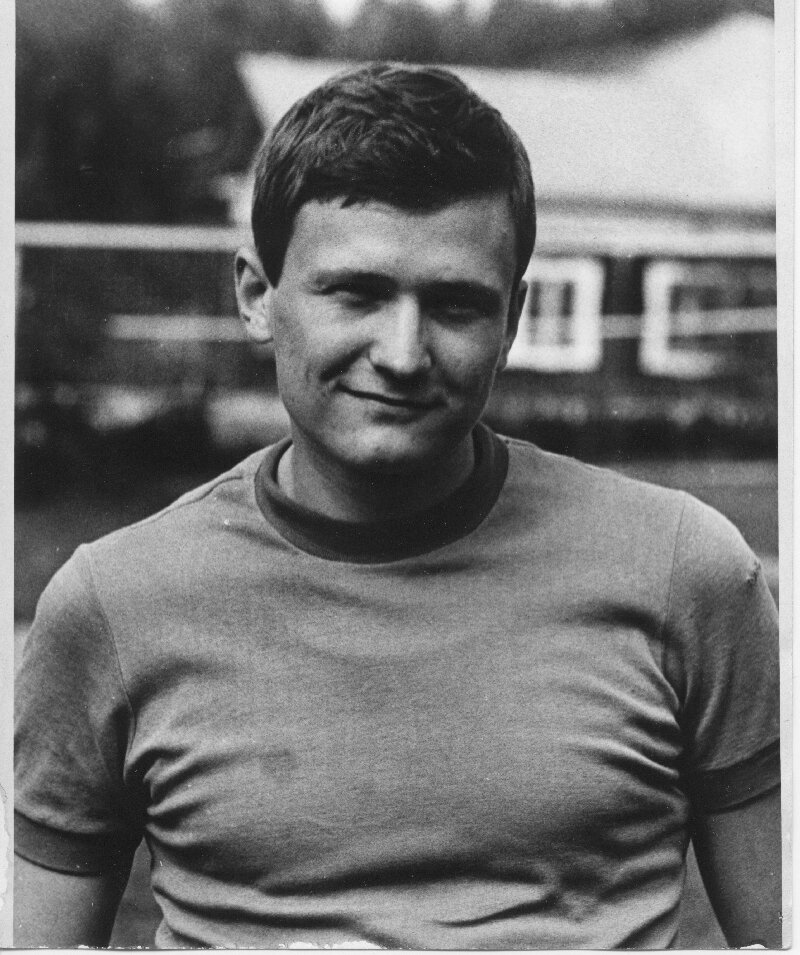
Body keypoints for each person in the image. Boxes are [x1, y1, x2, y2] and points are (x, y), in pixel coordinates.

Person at [15, 64, 781, 949]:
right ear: (257, 295)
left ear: (513, 319)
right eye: (358, 292)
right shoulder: (113, 604)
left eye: (455, 304)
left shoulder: (684, 569)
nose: (404, 353)